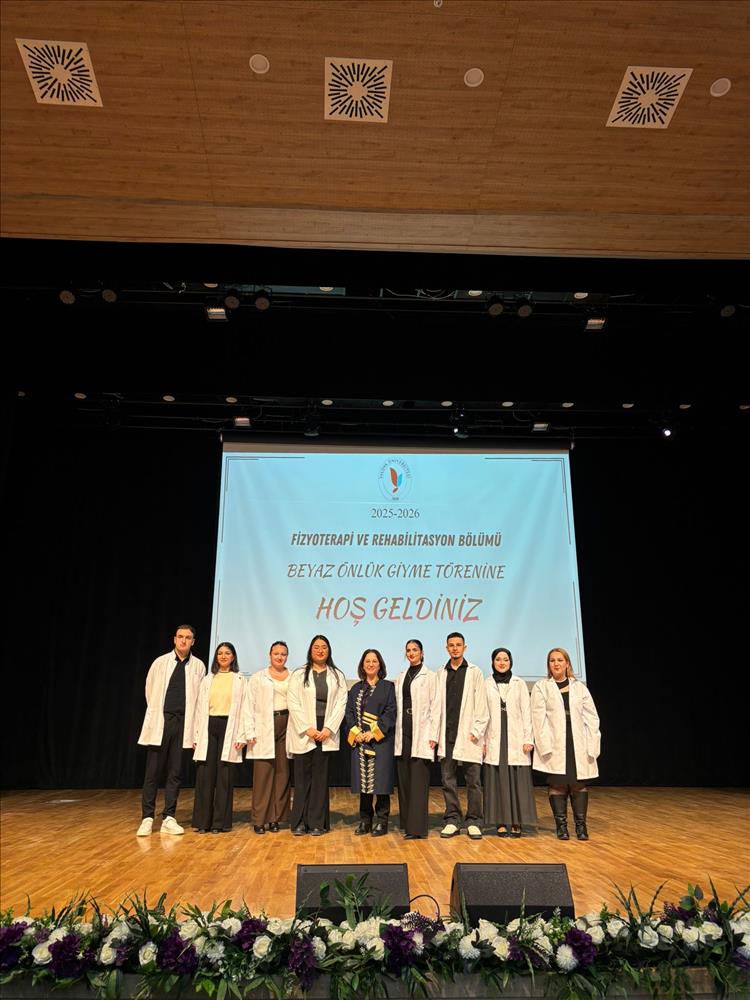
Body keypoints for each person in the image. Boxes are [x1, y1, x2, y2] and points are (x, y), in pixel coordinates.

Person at [137, 624, 206, 835]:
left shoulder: (199, 666)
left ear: (193, 641)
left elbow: (199, 699)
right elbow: (150, 690)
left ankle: (169, 817)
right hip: (162, 722)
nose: (184, 640)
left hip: (183, 723)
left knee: (175, 773)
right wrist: (159, 713)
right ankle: (147, 817)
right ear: (174, 639)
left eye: (188, 637)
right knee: (153, 772)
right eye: (180, 637)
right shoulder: (160, 662)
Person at [531, 647, 601, 840]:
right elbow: (538, 718)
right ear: (548, 665)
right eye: (552, 660)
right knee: (558, 784)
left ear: (567, 663)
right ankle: (561, 827)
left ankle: (581, 826)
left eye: (560, 660)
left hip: (577, 740)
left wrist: (592, 740)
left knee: (578, 784)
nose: (556, 664)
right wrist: (544, 743)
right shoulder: (541, 687)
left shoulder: (579, 688)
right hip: (555, 741)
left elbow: (592, 716)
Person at [287, 635, 347, 836]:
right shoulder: (299, 674)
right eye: (316, 647)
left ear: (329, 651)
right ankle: (299, 822)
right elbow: (293, 702)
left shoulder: (337, 675)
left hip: (326, 731)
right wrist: (307, 728)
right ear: (310, 650)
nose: (320, 651)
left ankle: (317, 823)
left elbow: (341, 704)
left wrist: (329, 728)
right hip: (305, 731)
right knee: (302, 779)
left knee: (320, 780)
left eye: (324, 647)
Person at [436, 632, 489, 840]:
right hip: (447, 734)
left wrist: (476, 731)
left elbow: (482, 705)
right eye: (451, 645)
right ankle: (452, 819)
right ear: (446, 648)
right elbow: (436, 705)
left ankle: (474, 820)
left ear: (464, 647)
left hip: (469, 736)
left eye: (458, 645)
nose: (455, 648)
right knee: (447, 780)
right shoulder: (441, 672)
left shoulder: (474, 672)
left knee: (473, 780)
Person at [192, 642, 247, 833]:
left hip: (229, 727)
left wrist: (242, 734)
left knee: (224, 775)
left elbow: (245, 709)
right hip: (208, 726)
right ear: (216, 657)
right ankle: (203, 822)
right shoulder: (208, 679)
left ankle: (220, 823)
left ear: (233, 657)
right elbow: (199, 708)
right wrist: (196, 734)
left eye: (227, 653)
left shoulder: (240, 680)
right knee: (205, 775)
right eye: (220, 653)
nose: (223, 656)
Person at [482, 648, 537, 837]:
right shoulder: (486, 683)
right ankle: (499, 821)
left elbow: (527, 713)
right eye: (498, 659)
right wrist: (482, 741)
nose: (502, 663)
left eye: (505, 659)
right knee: (497, 780)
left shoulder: (519, 683)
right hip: (494, 737)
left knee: (516, 780)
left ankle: (516, 821)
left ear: (511, 662)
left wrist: (528, 739)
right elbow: (482, 714)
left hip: (516, 738)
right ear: (492, 662)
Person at [345, 649, 397, 836]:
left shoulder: (388, 687)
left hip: (380, 742)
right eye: (367, 661)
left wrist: (373, 733)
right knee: (364, 785)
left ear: (380, 664)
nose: (371, 664)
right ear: (362, 665)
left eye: (374, 661)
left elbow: (390, 713)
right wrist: (357, 732)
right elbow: (349, 713)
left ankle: (382, 821)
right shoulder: (355, 689)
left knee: (381, 784)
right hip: (360, 742)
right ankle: (365, 820)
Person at [394, 639, 440, 839]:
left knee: (419, 781)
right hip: (403, 731)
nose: (411, 653)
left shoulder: (431, 676)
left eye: (415, 650)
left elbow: (436, 707)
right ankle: (406, 823)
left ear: (422, 653)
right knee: (404, 779)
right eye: (408, 650)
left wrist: (434, 734)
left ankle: (417, 828)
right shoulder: (401, 676)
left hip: (422, 732)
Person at [245, 641, 292, 834]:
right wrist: (249, 731)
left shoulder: (293, 677)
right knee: (263, 774)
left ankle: (276, 818)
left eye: (283, 654)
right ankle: (259, 819)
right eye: (276, 654)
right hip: (264, 725)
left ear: (287, 656)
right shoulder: (258, 677)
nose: (279, 657)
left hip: (286, 724)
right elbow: (248, 705)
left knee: (282, 774)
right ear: (270, 655)